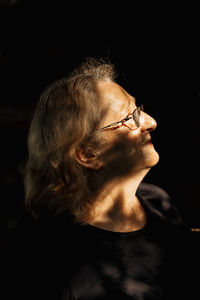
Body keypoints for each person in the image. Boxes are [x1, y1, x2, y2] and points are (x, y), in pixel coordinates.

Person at [24, 58, 190, 299]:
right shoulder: (66, 270)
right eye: (128, 118)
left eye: (139, 109)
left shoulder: (158, 201)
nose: (151, 122)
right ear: (87, 154)